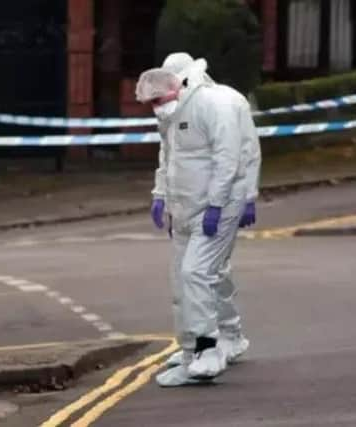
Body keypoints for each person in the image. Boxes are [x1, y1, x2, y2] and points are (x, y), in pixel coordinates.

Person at [136, 59, 255, 386]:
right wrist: (162, 195)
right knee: (181, 279)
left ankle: (208, 348)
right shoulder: (172, 116)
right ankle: (190, 351)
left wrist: (226, 202)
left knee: (197, 272)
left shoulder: (213, 104)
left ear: (179, 84)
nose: (155, 109)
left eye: (157, 101)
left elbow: (233, 155)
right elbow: (169, 157)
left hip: (217, 206)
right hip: (185, 208)